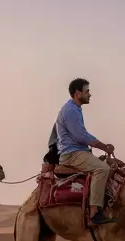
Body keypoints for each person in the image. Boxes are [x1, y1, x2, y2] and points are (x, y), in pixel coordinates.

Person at [49, 78, 116, 225]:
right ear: (77, 93)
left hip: (78, 152)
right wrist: (103, 146)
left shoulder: (74, 109)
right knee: (102, 169)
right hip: (72, 154)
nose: (89, 94)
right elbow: (81, 136)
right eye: (87, 91)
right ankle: (94, 212)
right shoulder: (70, 111)